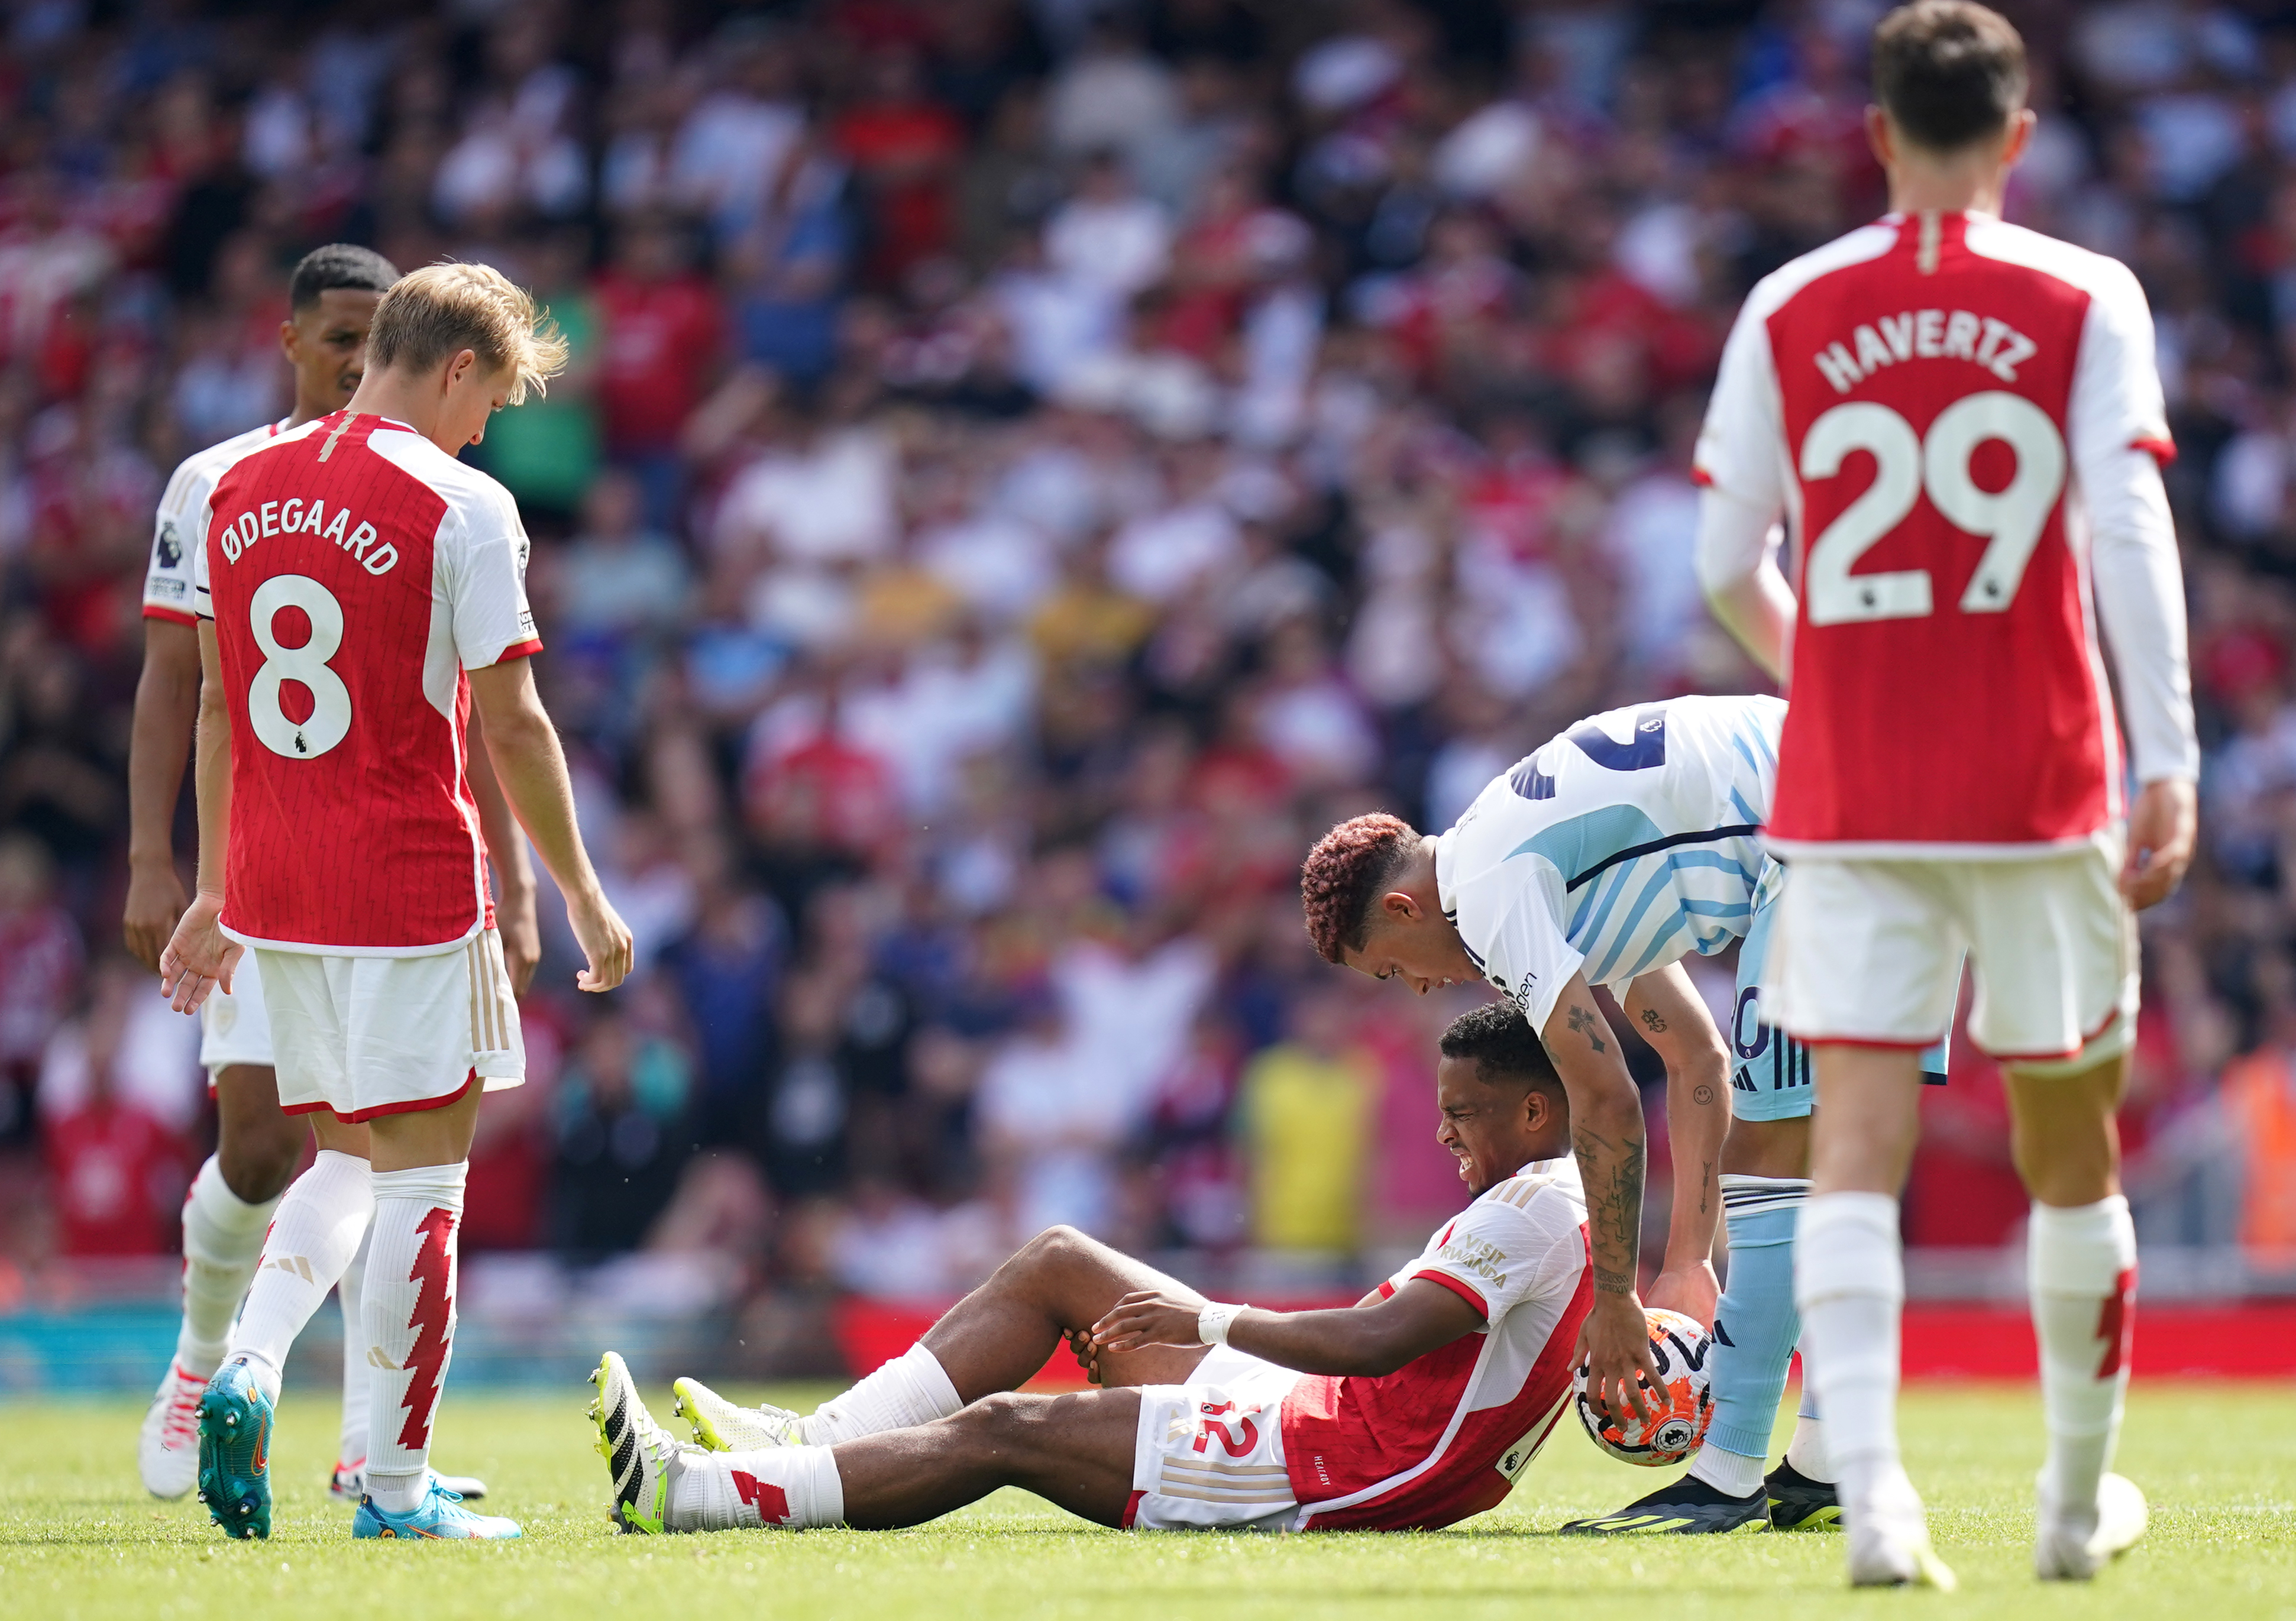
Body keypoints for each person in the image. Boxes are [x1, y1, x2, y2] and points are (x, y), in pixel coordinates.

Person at [1693, 2, 2198, 1588]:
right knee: (2073, 1150)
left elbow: (1721, 565)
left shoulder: (1790, 303)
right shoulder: (2080, 293)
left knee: (1852, 1149)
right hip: (2036, 781)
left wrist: (1828, 675)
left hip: (1853, 798)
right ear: (2019, 136)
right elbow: (2126, 531)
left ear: (1878, 133)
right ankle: (2070, 1502)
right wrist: (2168, 754)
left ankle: (1874, 1506)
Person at [159, 262, 635, 1542]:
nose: (489, 431)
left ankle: (248, 1367)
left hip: (275, 886)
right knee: (426, 1186)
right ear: (458, 366)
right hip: (411, 880)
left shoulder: (234, 487)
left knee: (344, 1159)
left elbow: (216, 704)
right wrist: (581, 889)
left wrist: (216, 889)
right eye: (493, 402)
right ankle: (397, 1488)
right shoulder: (461, 503)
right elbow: (517, 720)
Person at [591, 1001, 1589, 1536]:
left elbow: (1377, 1344)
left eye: (1461, 1114)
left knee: (1004, 1430)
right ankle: (808, 1438)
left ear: (1535, 1112)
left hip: (1330, 1466)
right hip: (1315, 1408)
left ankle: (690, 1496)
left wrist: (1201, 1324)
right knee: (1059, 1260)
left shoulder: (1535, 1206)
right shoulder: (1564, 1202)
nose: (1441, 1129)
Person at [1301, 695, 1760, 1445]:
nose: (1417, 987)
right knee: (1798, 1146)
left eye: (1391, 968)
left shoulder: (1485, 895)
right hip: (1806, 786)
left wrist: (1614, 1299)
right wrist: (1686, 1264)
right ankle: (1810, 1461)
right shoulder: (1542, 867)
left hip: (1821, 817)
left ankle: (1813, 1468)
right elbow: (1694, 1054)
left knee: (1795, 1152)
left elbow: (1605, 1096)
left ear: (1404, 907)